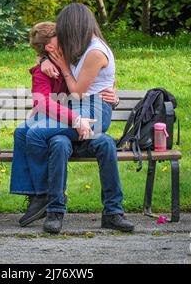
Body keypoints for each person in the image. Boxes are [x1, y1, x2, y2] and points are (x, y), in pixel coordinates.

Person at [32, 3, 134, 234]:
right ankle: (55, 211)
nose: (63, 33)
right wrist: (43, 60)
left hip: (90, 115)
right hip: (77, 116)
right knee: (58, 143)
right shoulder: (80, 48)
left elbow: (79, 90)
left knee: (103, 143)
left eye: (65, 28)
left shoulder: (95, 52)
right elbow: (47, 50)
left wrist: (64, 68)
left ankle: (113, 213)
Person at [10, 21, 119, 227]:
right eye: (62, 36)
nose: (69, 37)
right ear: (51, 47)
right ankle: (39, 197)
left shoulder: (77, 56)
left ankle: (112, 213)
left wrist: (115, 96)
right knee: (24, 132)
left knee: (36, 134)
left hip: (87, 119)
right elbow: (41, 102)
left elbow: (104, 80)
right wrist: (42, 61)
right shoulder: (44, 70)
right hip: (67, 125)